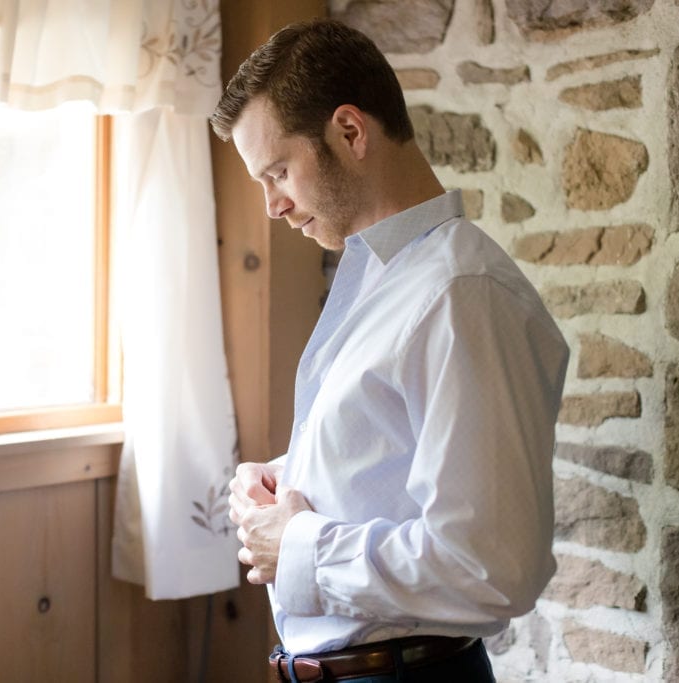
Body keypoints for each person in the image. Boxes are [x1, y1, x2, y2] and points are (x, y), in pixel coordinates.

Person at [211, 18, 569, 683]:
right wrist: (288, 478)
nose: (272, 206)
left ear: (350, 132)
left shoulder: (461, 295)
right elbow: (392, 453)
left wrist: (299, 544)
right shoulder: (382, 279)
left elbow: (493, 567)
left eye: (279, 171)